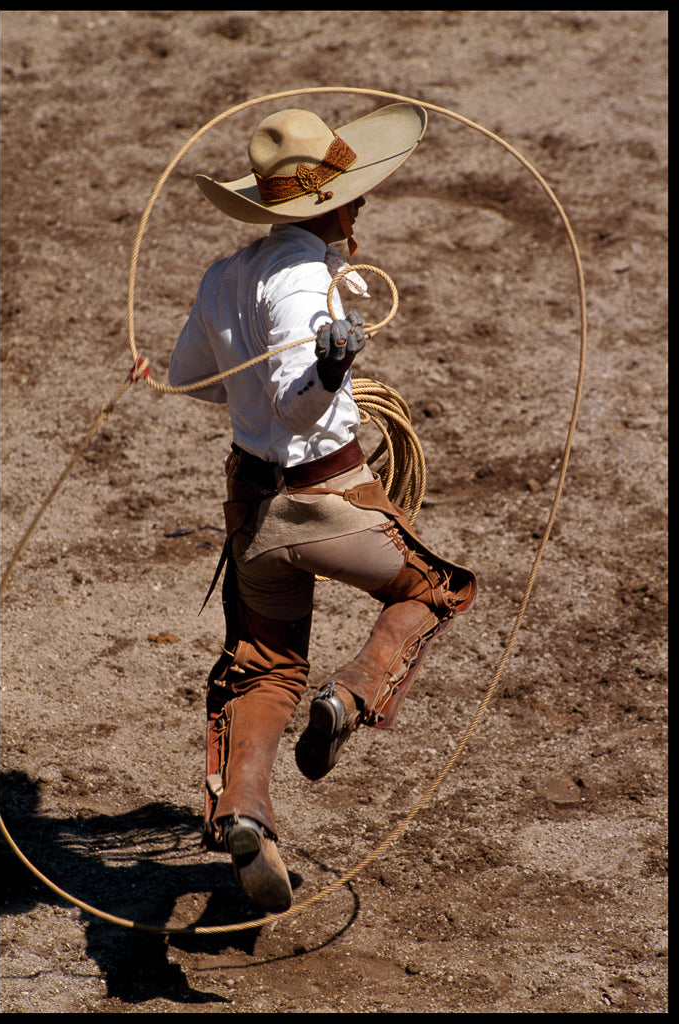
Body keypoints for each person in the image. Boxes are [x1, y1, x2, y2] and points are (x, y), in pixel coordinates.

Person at [168, 103, 476, 913]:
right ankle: (353, 694)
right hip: (325, 497)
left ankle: (244, 810)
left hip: (251, 508)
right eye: (354, 193)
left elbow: (187, 374)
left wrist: (259, 402)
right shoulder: (307, 276)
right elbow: (301, 408)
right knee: (435, 589)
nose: (362, 204)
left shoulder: (225, 274)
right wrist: (332, 371)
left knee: (265, 664)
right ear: (328, 205)